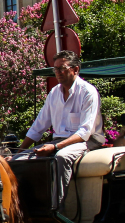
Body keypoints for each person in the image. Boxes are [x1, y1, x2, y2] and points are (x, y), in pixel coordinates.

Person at [17, 50, 105, 212]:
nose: (58, 72)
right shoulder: (54, 93)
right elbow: (39, 125)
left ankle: (57, 210)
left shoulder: (88, 92)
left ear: (75, 70)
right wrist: (21, 150)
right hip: (60, 141)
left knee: (61, 158)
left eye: (62, 68)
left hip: (88, 140)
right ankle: (26, 209)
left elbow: (85, 132)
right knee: (19, 160)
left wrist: (55, 147)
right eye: (55, 69)